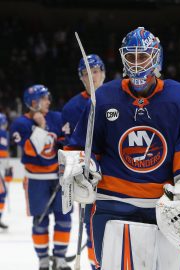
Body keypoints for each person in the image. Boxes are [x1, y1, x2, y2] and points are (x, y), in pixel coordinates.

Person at [61, 27, 180, 269]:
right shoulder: (104, 97)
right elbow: (82, 147)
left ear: (156, 58)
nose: (135, 63)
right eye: (130, 56)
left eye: (142, 56)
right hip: (113, 203)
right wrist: (82, 168)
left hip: (164, 208)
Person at [10, 85, 72, 270]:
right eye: (44, 98)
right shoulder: (20, 124)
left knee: (64, 219)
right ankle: (43, 259)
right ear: (33, 102)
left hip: (60, 178)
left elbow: (67, 142)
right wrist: (42, 127)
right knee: (40, 220)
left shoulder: (58, 117)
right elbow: (31, 150)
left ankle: (60, 258)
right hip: (35, 179)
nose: (48, 102)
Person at [61, 54, 105, 269]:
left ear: (103, 73)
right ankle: (95, 265)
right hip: (89, 179)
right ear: (81, 78)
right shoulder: (71, 108)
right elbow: (70, 147)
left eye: (95, 71)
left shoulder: (116, 98)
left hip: (118, 174)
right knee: (91, 225)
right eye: (86, 73)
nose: (91, 77)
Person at [0, 113, 13, 229]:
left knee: (2, 193)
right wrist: (7, 168)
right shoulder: (3, 133)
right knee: (2, 193)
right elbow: (3, 153)